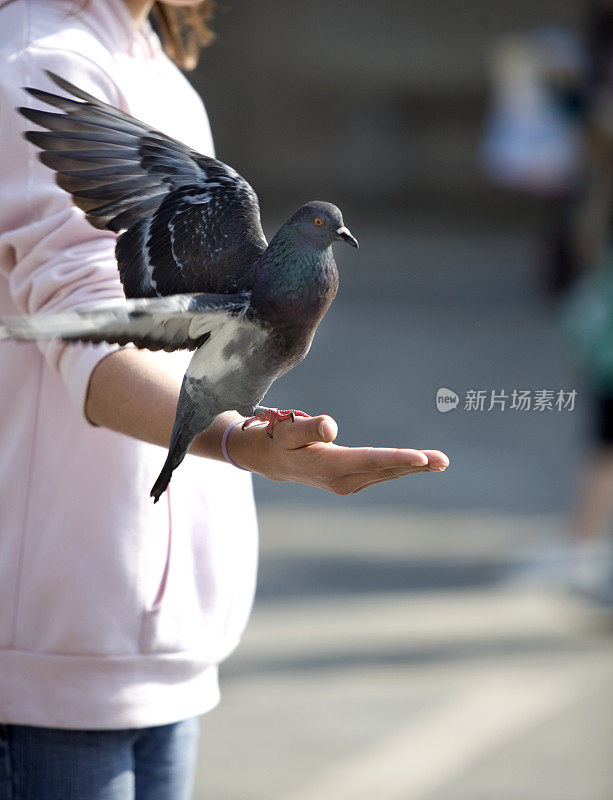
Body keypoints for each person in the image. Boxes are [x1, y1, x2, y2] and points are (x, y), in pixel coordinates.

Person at [0, 1, 449, 797]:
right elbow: (86, 340)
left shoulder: (149, 58)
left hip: (158, 643)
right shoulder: (41, 59)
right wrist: (239, 443)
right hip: (60, 649)